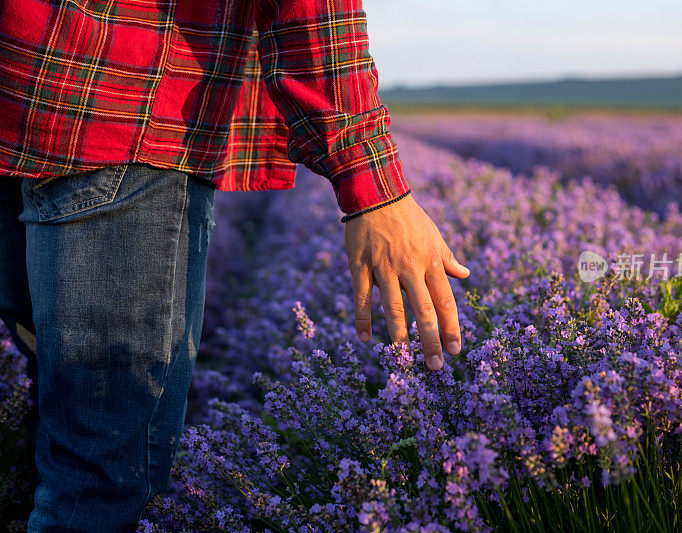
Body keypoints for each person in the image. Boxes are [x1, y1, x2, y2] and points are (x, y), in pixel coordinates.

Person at [0, 0, 469, 530]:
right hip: (125, 105)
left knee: (59, 427)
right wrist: (371, 185)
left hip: (24, 86)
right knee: (102, 480)